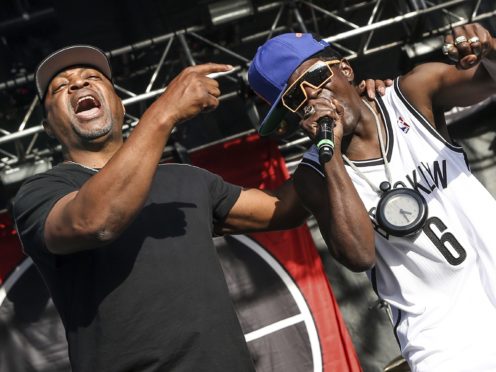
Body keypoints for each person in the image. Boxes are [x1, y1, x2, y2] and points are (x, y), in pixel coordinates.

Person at [11, 45, 386, 371]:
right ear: (47, 124)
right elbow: (96, 221)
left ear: (119, 105)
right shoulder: (43, 193)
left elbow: (284, 207)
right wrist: (164, 112)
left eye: (94, 77)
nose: (79, 84)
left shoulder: (185, 180)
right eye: (61, 86)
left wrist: (349, 121)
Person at [248, 24, 496, 371]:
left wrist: (489, 48)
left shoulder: (410, 95)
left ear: (345, 69)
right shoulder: (314, 175)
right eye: (295, 99)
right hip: (444, 343)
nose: (316, 97)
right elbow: (359, 255)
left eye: (317, 77)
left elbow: (488, 79)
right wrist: (329, 152)